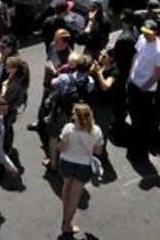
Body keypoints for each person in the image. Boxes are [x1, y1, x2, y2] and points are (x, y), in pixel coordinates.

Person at [58, 101, 103, 237]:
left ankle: (65, 218)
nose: (71, 114)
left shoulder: (68, 128)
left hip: (66, 163)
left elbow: (61, 148)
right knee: (75, 196)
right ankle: (67, 224)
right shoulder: (96, 130)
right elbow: (98, 151)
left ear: (77, 117)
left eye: (73, 113)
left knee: (66, 189)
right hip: (84, 166)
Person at [128, 19, 160, 160]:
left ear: (156, 33)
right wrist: (130, 76)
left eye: (148, 33)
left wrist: (144, 88)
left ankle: (140, 151)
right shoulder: (142, 38)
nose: (145, 35)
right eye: (144, 32)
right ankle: (134, 143)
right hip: (133, 84)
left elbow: (158, 74)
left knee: (142, 121)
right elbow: (135, 56)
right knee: (133, 114)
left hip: (145, 91)